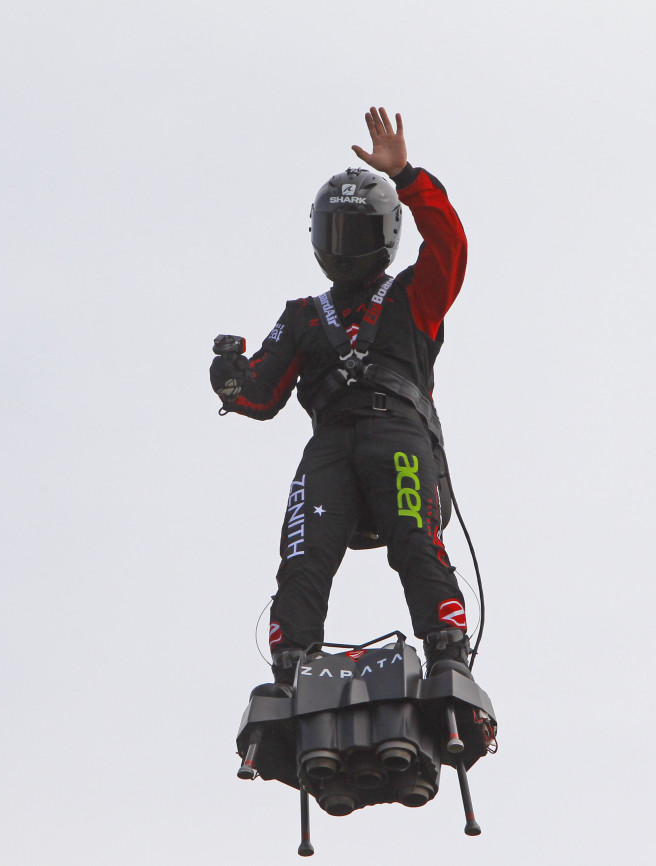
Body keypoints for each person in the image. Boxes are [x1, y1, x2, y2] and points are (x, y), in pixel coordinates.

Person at [210, 107, 470, 686]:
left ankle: (448, 651)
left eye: (356, 232)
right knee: (303, 560)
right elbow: (259, 392)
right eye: (336, 233)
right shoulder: (302, 316)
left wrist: (406, 177)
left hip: (397, 432)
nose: (345, 246)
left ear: (386, 236)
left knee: (415, 541)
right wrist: (228, 374)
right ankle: (291, 667)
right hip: (329, 447)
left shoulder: (411, 295)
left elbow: (449, 242)